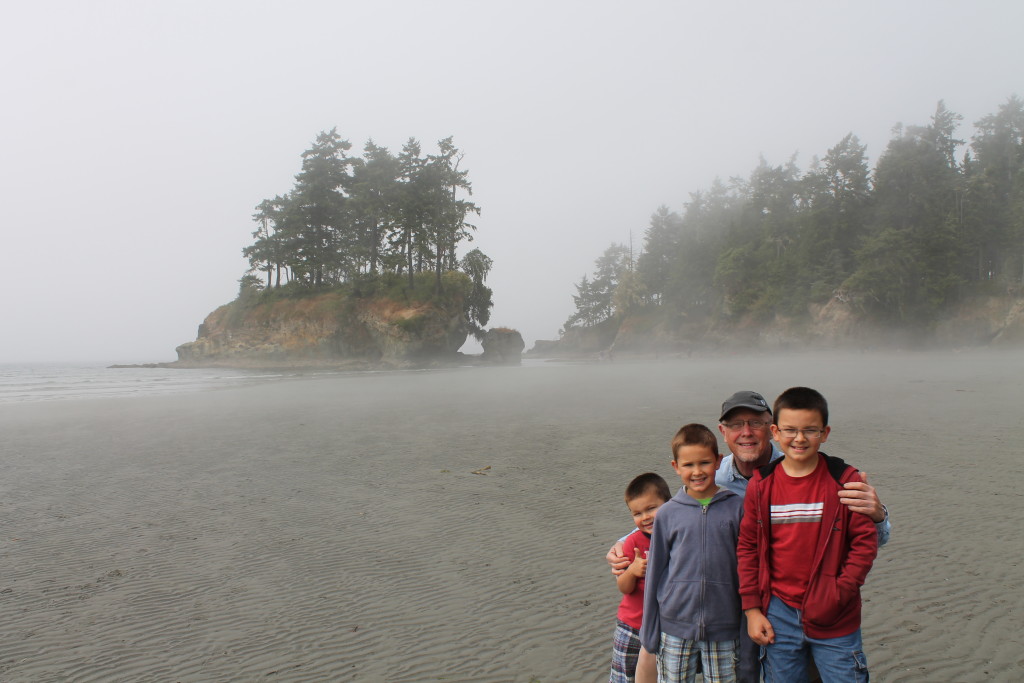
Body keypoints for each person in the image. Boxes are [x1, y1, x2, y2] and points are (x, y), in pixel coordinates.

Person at [606, 390, 893, 682]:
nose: (746, 432)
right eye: (735, 425)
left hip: (814, 606)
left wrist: (878, 515)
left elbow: (867, 540)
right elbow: (681, 514)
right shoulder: (712, 475)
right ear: (724, 432)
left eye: (754, 423)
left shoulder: (815, 469)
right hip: (737, 609)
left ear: (770, 429)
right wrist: (626, 543)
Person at [738, 387, 877, 681]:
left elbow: (864, 543)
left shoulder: (844, 479)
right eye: (790, 430)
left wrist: (839, 592)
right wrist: (752, 610)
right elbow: (748, 548)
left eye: (809, 430)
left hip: (837, 615)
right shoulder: (762, 485)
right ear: (775, 432)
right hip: (778, 614)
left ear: (824, 433)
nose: (799, 439)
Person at [640, 424, 744, 683]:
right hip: (674, 626)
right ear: (675, 467)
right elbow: (655, 573)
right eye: (688, 465)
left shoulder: (737, 509)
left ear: (719, 462)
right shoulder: (667, 514)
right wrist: (649, 630)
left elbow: (747, 570)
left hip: (724, 628)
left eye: (704, 463)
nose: (697, 472)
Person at [610, 472, 671, 683]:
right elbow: (624, 588)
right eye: (637, 513)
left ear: (669, 504)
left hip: (667, 627)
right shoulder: (632, 542)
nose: (645, 517)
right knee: (623, 677)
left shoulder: (678, 537)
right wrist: (632, 571)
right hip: (632, 624)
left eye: (651, 508)